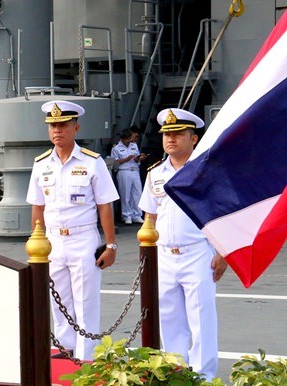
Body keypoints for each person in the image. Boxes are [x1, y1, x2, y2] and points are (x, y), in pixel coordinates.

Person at [26, 100, 119, 361]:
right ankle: (65, 350)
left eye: (63, 125)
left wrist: (110, 245)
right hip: (53, 240)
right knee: (59, 301)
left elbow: (105, 206)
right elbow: (37, 208)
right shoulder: (41, 163)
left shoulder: (92, 162)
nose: (57, 130)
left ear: (75, 128)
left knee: (85, 301)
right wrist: (36, 243)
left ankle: (87, 354)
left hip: (83, 238)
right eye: (53, 126)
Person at [138, 108, 227, 379]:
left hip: (198, 252)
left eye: (178, 134)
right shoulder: (155, 173)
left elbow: (221, 211)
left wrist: (223, 252)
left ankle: (204, 377)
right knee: (169, 319)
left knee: (201, 319)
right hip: (164, 254)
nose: (171, 139)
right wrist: (147, 256)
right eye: (167, 134)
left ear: (194, 138)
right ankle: (176, 373)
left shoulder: (205, 170)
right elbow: (149, 217)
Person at [111, 129, 146, 224]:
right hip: (124, 171)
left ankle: (137, 215)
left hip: (135, 170)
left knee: (137, 193)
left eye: (130, 138)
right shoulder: (116, 148)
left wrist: (138, 158)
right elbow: (115, 162)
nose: (129, 141)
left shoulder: (134, 145)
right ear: (122, 139)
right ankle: (127, 215)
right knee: (126, 195)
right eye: (127, 139)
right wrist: (126, 159)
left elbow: (137, 158)